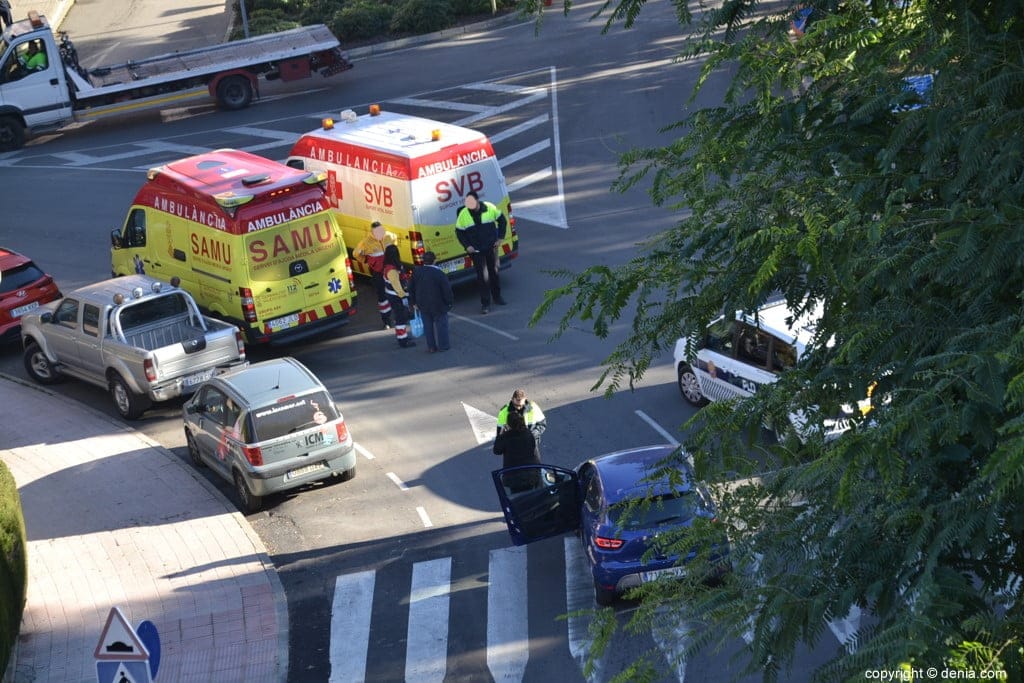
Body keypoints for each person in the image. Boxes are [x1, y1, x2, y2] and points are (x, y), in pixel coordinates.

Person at [455, 191, 507, 314]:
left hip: (490, 247)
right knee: (483, 277)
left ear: (478, 201)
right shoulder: (463, 213)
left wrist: (500, 238)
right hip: (477, 251)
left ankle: (497, 297)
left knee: (494, 272)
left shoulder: (489, 207)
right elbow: (459, 232)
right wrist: (467, 246)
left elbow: (502, 220)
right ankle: (485, 304)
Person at [353, 221, 396, 328]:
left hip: (391, 271)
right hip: (378, 273)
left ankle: (401, 316)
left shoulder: (389, 236)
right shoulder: (366, 242)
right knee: (382, 297)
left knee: (396, 293)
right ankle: (387, 321)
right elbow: (356, 254)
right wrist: (367, 261)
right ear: (372, 232)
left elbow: (394, 245)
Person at [409, 251, 454, 353]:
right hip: (438, 304)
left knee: (428, 326)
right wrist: (449, 302)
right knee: (441, 324)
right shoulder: (439, 273)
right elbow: (446, 290)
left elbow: (411, 287)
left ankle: (431, 347)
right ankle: (443, 345)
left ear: (423, 261)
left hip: (423, 304)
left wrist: (413, 302)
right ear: (434, 260)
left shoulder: (417, 272)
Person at [492, 412, 540, 493]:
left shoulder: (506, 437)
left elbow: (496, 451)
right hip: (531, 474)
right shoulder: (528, 433)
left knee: (518, 498)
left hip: (514, 477)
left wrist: (500, 435)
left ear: (508, 424)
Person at [382, 244, 415, 348]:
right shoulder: (392, 270)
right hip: (396, 296)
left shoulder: (390, 266)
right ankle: (403, 340)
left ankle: (403, 336)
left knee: (401, 317)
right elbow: (397, 286)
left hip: (393, 295)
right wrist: (404, 297)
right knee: (400, 318)